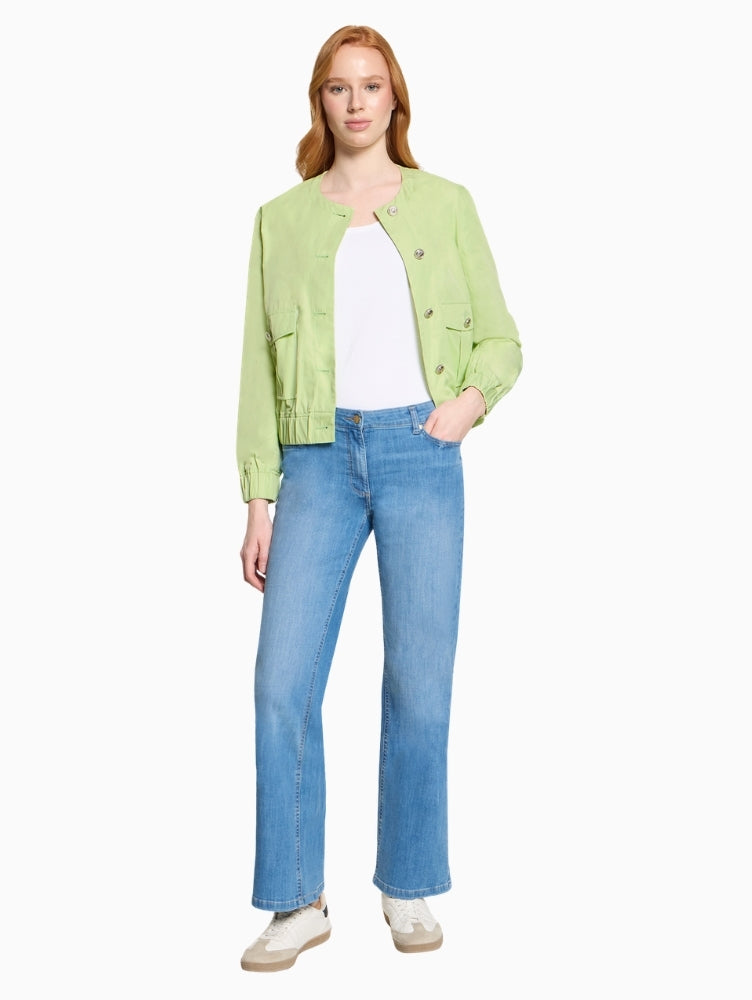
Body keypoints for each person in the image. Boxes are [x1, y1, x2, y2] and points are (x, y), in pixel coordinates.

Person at [235, 24, 522, 972]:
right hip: (315, 457)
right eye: (338, 86)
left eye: (371, 85)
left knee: (418, 682)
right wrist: (259, 500)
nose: (355, 102)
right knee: (281, 683)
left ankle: (407, 883)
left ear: (395, 98)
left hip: (418, 448)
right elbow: (255, 370)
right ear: (319, 102)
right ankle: (296, 901)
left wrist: (465, 406)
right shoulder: (281, 221)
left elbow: (502, 340)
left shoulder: (445, 205)